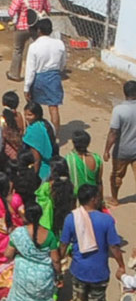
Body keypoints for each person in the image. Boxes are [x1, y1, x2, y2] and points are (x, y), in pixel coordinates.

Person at [59, 185, 126, 299]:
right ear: (93, 199)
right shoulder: (106, 220)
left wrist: (58, 263)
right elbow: (114, 247)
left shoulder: (71, 218)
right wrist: (121, 265)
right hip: (99, 273)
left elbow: (63, 244)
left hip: (78, 271)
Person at [5, 203, 60, 301]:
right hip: (43, 278)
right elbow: (55, 260)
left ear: (26, 216)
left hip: (22, 275)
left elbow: (8, 254)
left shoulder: (18, 233)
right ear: (40, 216)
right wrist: (59, 275)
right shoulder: (49, 235)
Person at [23, 18, 66, 136]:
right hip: (54, 77)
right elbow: (63, 64)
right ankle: (54, 136)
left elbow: (30, 69)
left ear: (39, 31)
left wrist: (26, 87)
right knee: (53, 108)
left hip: (39, 78)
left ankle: (33, 133)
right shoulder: (59, 44)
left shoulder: (34, 46)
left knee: (33, 107)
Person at [6, 0, 50, 82]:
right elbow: (48, 9)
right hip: (36, 27)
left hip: (21, 27)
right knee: (34, 52)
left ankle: (14, 74)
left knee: (18, 50)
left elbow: (11, 12)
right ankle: (34, 75)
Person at [105, 79, 136, 207]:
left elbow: (113, 132)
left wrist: (107, 150)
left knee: (117, 176)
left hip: (122, 151)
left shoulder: (119, 110)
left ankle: (115, 199)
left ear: (125, 93)